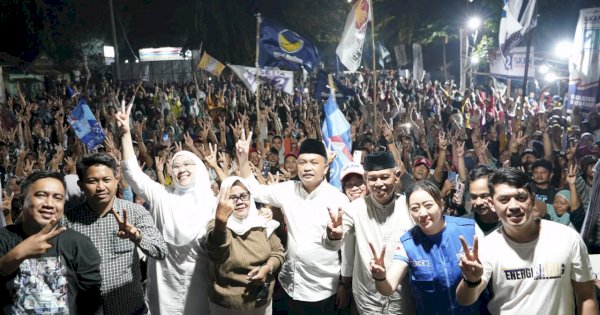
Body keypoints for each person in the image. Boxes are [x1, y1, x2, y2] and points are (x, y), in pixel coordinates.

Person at [117, 101, 217, 314]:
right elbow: (133, 174)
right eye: (176, 166)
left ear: (198, 168)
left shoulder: (212, 201)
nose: (181, 169)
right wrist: (126, 133)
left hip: (199, 278)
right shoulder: (163, 195)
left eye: (187, 164)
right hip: (164, 277)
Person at [457, 167, 598, 314]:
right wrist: (471, 281)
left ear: (532, 199)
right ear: (492, 204)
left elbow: (586, 297)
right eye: (504, 200)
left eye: (521, 197)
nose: (513, 206)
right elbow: (466, 299)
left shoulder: (567, 238)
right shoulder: (488, 246)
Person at [238, 131, 349, 315]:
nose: (307, 168)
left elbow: (345, 249)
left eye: (314, 163)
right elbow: (255, 191)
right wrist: (242, 159)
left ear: (326, 168)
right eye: (302, 162)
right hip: (293, 286)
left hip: (325, 289)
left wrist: (345, 284)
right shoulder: (288, 190)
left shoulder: (338, 199)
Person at [65, 153, 167, 315]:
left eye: (106, 180)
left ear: (116, 180)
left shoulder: (135, 212)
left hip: (130, 308)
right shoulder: (68, 220)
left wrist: (136, 235)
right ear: (81, 184)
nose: (100, 187)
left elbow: (160, 250)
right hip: (86, 310)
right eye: (92, 181)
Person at [369, 180, 485, 314]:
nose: (422, 213)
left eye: (428, 205)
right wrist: (380, 277)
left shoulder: (470, 229)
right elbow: (388, 289)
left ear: (441, 204)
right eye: (415, 208)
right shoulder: (408, 243)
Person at [0, 171, 102, 314]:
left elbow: (92, 303)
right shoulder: (4, 238)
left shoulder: (78, 243)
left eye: (58, 198)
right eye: (41, 195)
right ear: (22, 201)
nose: (49, 204)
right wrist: (18, 254)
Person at [326, 152, 415, 314]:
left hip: (402, 297)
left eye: (384, 177)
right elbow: (334, 242)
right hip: (368, 298)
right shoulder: (355, 208)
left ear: (396, 176)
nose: (378, 183)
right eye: (373, 178)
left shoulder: (409, 207)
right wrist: (334, 235)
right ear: (366, 179)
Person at [205, 176, 284, 314]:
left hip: (261, 301)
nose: (240, 201)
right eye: (233, 198)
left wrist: (267, 267)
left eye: (243, 196)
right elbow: (216, 254)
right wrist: (221, 221)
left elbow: (278, 251)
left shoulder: (261, 221)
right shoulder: (217, 225)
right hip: (228, 306)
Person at [463, 165, 501, 235]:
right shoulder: (463, 224)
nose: (478, 202)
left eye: (484, 196)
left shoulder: (510, 225)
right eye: (474, 197)